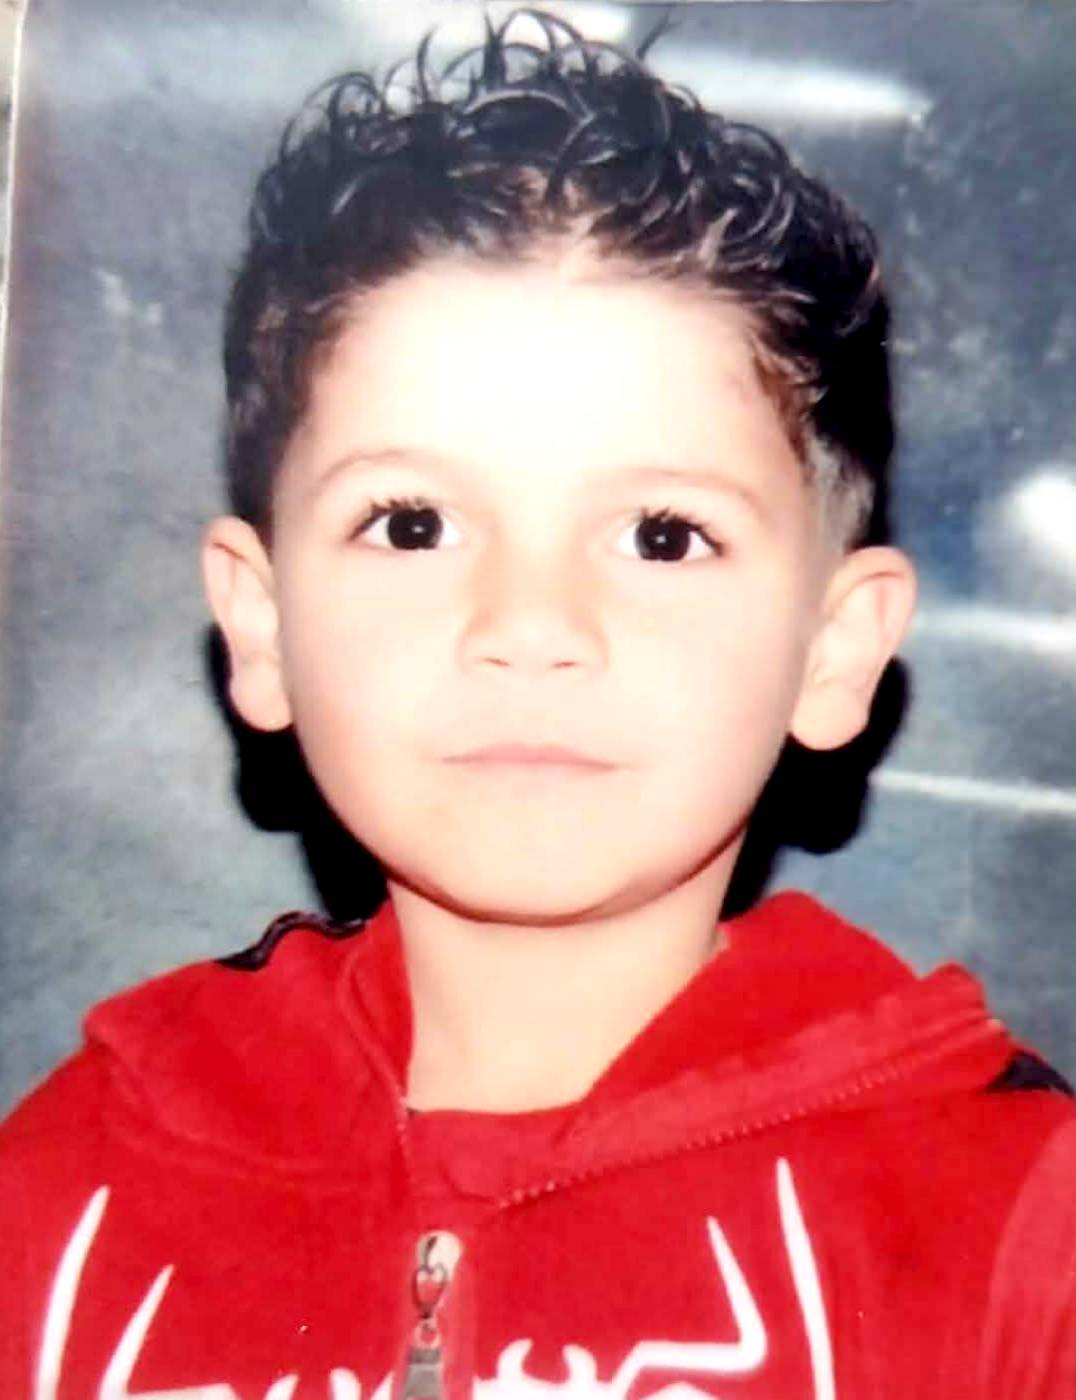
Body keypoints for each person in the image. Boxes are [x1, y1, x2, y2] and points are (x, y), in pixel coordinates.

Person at [2, 10, 1074, 1398]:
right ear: (259, 624)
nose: (529, 627)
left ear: (834, 650)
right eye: (411, 523)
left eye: (662, 536)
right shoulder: (63, 1195)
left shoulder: (1015, 1234)